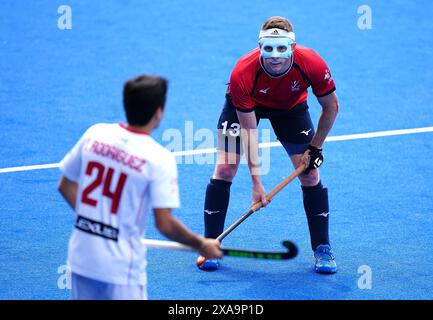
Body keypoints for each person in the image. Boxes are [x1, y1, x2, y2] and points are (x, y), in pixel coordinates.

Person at [58, 75, 222, 300]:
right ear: (159, 112)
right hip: (120, 268)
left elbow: (65, 186)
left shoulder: (95, 134)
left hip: (81, 257)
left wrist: (96, 221)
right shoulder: (158, 158)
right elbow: (165, 224)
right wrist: (201, 244)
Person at [197, 16, 339, 274]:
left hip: (291, 108)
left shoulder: (312, 63)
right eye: (268, 48)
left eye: (282, 48)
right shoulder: (243, 72)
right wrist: (256, 183)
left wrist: (316, 147)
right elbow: (250, 132)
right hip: (244, 106)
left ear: (293, 47)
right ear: (260, 45)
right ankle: (210, 244)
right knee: (226, 168)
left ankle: (322, 248)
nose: (275, 56)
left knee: (310, 175)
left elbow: (331, 106)